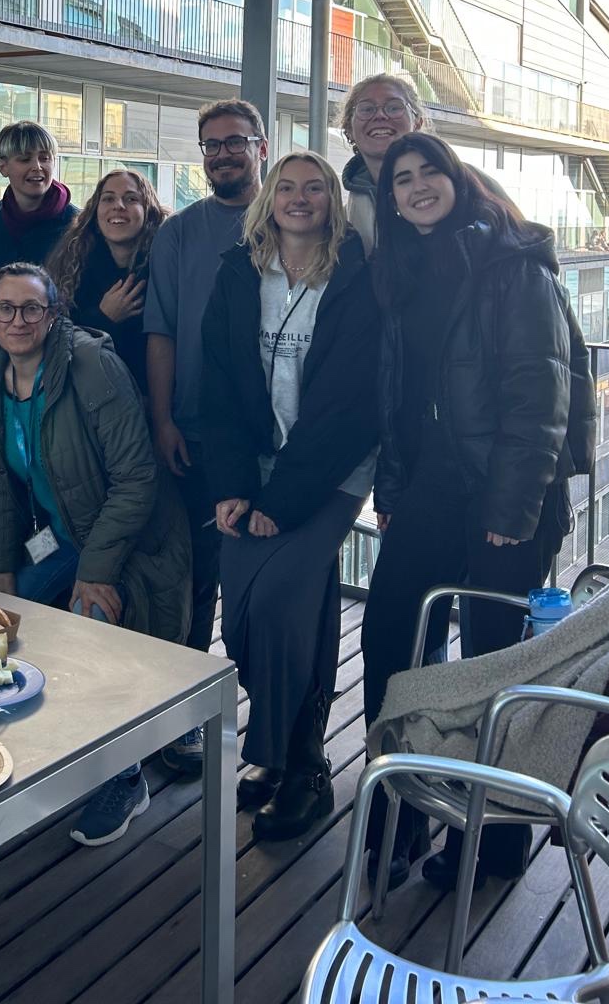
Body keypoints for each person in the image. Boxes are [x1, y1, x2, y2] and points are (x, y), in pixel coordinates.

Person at [361, 132, 590, 890]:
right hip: (431, 489)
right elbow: (397, 397)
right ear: (391, 199)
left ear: (458, 180)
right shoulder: (402, 268)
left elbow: (539, 395)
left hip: (505, 496)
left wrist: (513, 508)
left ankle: (494, 841)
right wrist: (393, 491)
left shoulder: (513, 266)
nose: (417, 186)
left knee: (494, 665)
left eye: (430, 172)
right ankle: (401, 813)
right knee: (391, 639)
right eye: (402, 179)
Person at [0, 262, 191, 847]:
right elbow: (2, 480)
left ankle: (124, 776)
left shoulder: (91, 365)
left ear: (53, 315)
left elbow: (137, 480)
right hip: (59, 534)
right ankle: (26, 751)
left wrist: (95, 572)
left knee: (92, 626)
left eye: (32, 308)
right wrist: (0, 565)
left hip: (132, 541)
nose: (18, 320)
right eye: (5, 308)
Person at [203, 152, 379, 838]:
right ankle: (279, 753)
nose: (299, 198)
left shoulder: (356, 276)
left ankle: (303, 765)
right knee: (247, 612)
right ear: (268, 199)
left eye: (314, 188)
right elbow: (217, 383)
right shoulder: (239, 271)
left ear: (333, 201)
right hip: (253, 465)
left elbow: (348, 405)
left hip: (330, 472)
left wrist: (283, 501)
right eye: (287, 187)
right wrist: (233, 486)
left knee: (279, 601)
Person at [143, 97, 268, 773]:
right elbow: (160, 330)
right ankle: (186, 718)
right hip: (192, 429)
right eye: (212, 145)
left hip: (270, 438)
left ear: (261, 147)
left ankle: (270, 733)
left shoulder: (288, 218)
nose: (223, 154)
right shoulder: (179, 233)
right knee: (191, 578)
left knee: (255, 589)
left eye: (235, 142)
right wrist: (164, 419)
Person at [339, 74, 509, 257]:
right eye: (366, 109)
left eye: (394, 107)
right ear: (349, 129)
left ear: (417, 122)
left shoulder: (474, 182)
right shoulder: (342, 218)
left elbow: (519, 243)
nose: (380, 115)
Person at [46, 167, 168, 393]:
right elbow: (54, 342)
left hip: (155, 397)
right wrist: (103, 318)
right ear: (96, 211)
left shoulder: (166, 267)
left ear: (148, 211)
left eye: (131, 199)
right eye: (108, 198)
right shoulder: (70, 267)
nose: (118, 206)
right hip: (90, 398)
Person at [0, 121, 79, 270]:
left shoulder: (77, 223)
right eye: (25, 159)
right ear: (3, 167)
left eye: (44, 158)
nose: (37, 167)